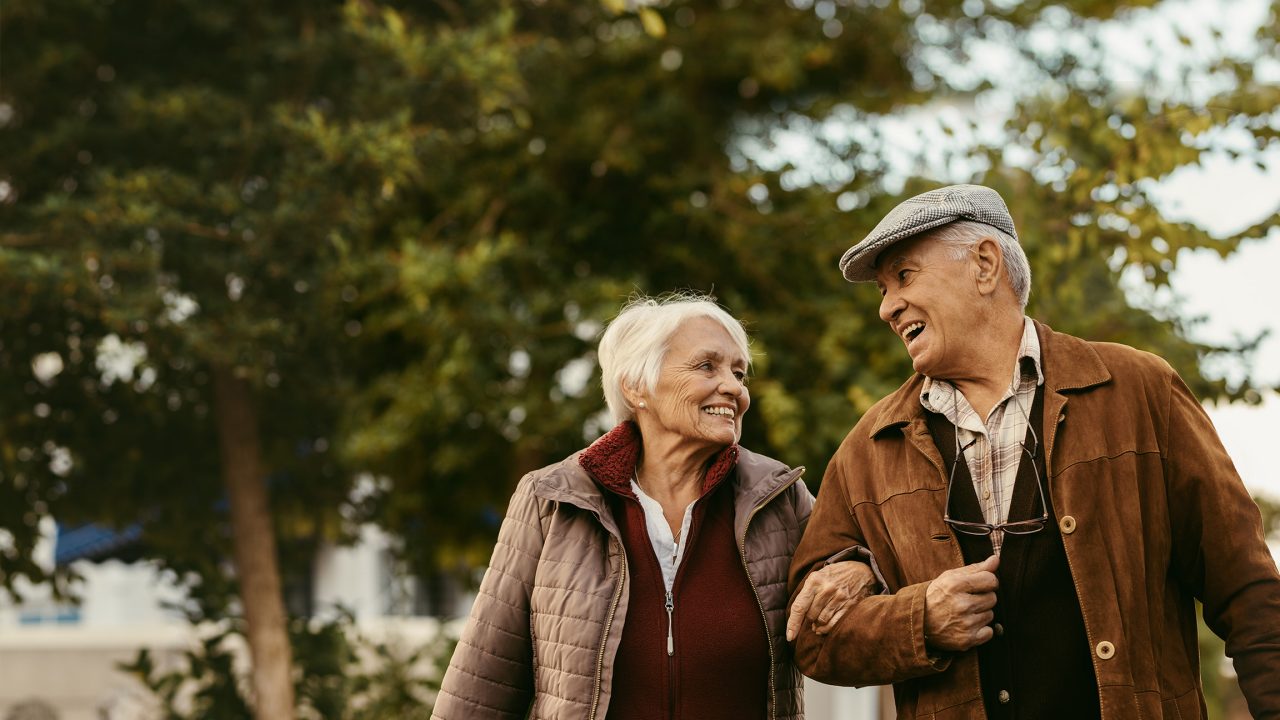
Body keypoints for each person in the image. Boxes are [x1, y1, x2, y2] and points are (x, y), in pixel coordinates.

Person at [786, 184, 1280, 719]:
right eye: (882, 290)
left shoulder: (1139, 390)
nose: (887, 307)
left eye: (904, 276)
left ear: (984, 264)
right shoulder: (868, 449)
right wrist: (919, 620)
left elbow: (1247, 590)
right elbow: (811, 638)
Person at [433, 293, 874, 720]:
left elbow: (862, 585)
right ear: (636, 386)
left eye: (739, 374)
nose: (734, 388)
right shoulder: (551, 498)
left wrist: (864, 570)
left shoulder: (779, 497)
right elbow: (483, 681)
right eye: (707, 366)